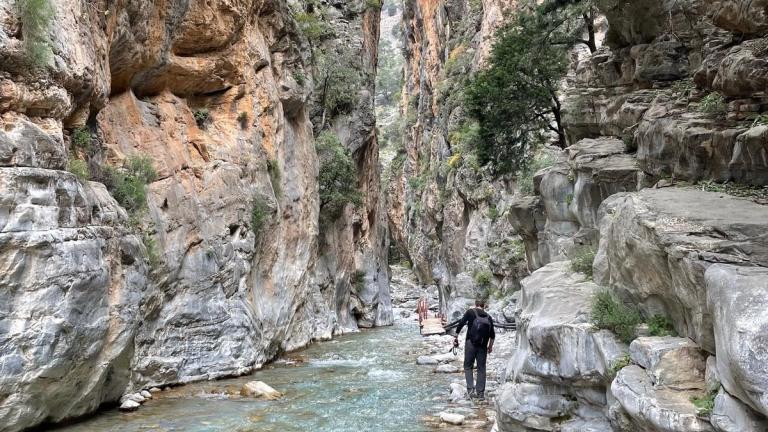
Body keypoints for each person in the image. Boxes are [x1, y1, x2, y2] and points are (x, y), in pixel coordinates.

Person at [454, 299, 495, 400]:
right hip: (483, 346)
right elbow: (492, 335)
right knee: (481, 368)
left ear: (475, 304)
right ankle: (480, 393)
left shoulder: (470, 312)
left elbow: (461, 323)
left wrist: (456, 336)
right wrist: (490, 346)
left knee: (468, 366)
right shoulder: (488, 317)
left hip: (470, 343)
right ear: (484, 306)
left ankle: (470, 390)